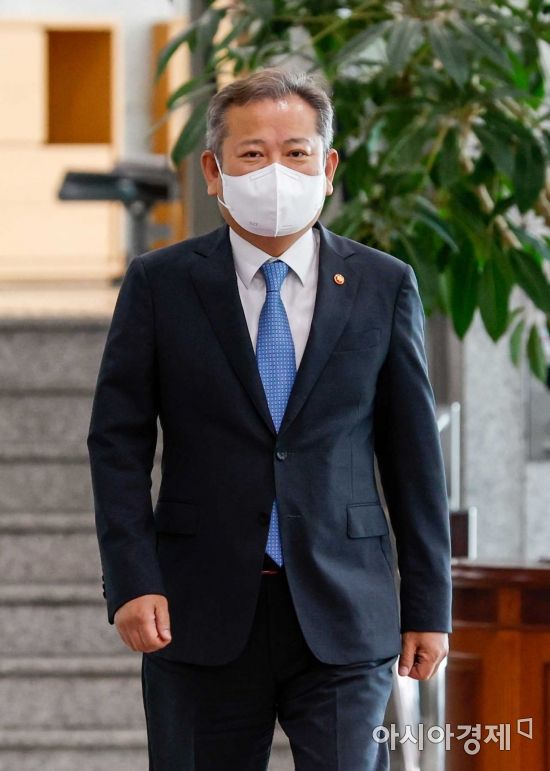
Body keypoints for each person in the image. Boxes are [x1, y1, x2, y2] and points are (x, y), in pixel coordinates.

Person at [87, 67, 452, 771]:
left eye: (296, 151)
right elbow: (117, 444)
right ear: (214, 171)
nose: (276, 171)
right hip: (197, 609)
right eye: (252, 153)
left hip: (346, 608)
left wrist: (428, 605)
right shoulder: (161, 284)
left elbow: (413, 457)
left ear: (329, 167)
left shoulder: (383, 284)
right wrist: (131, 578)